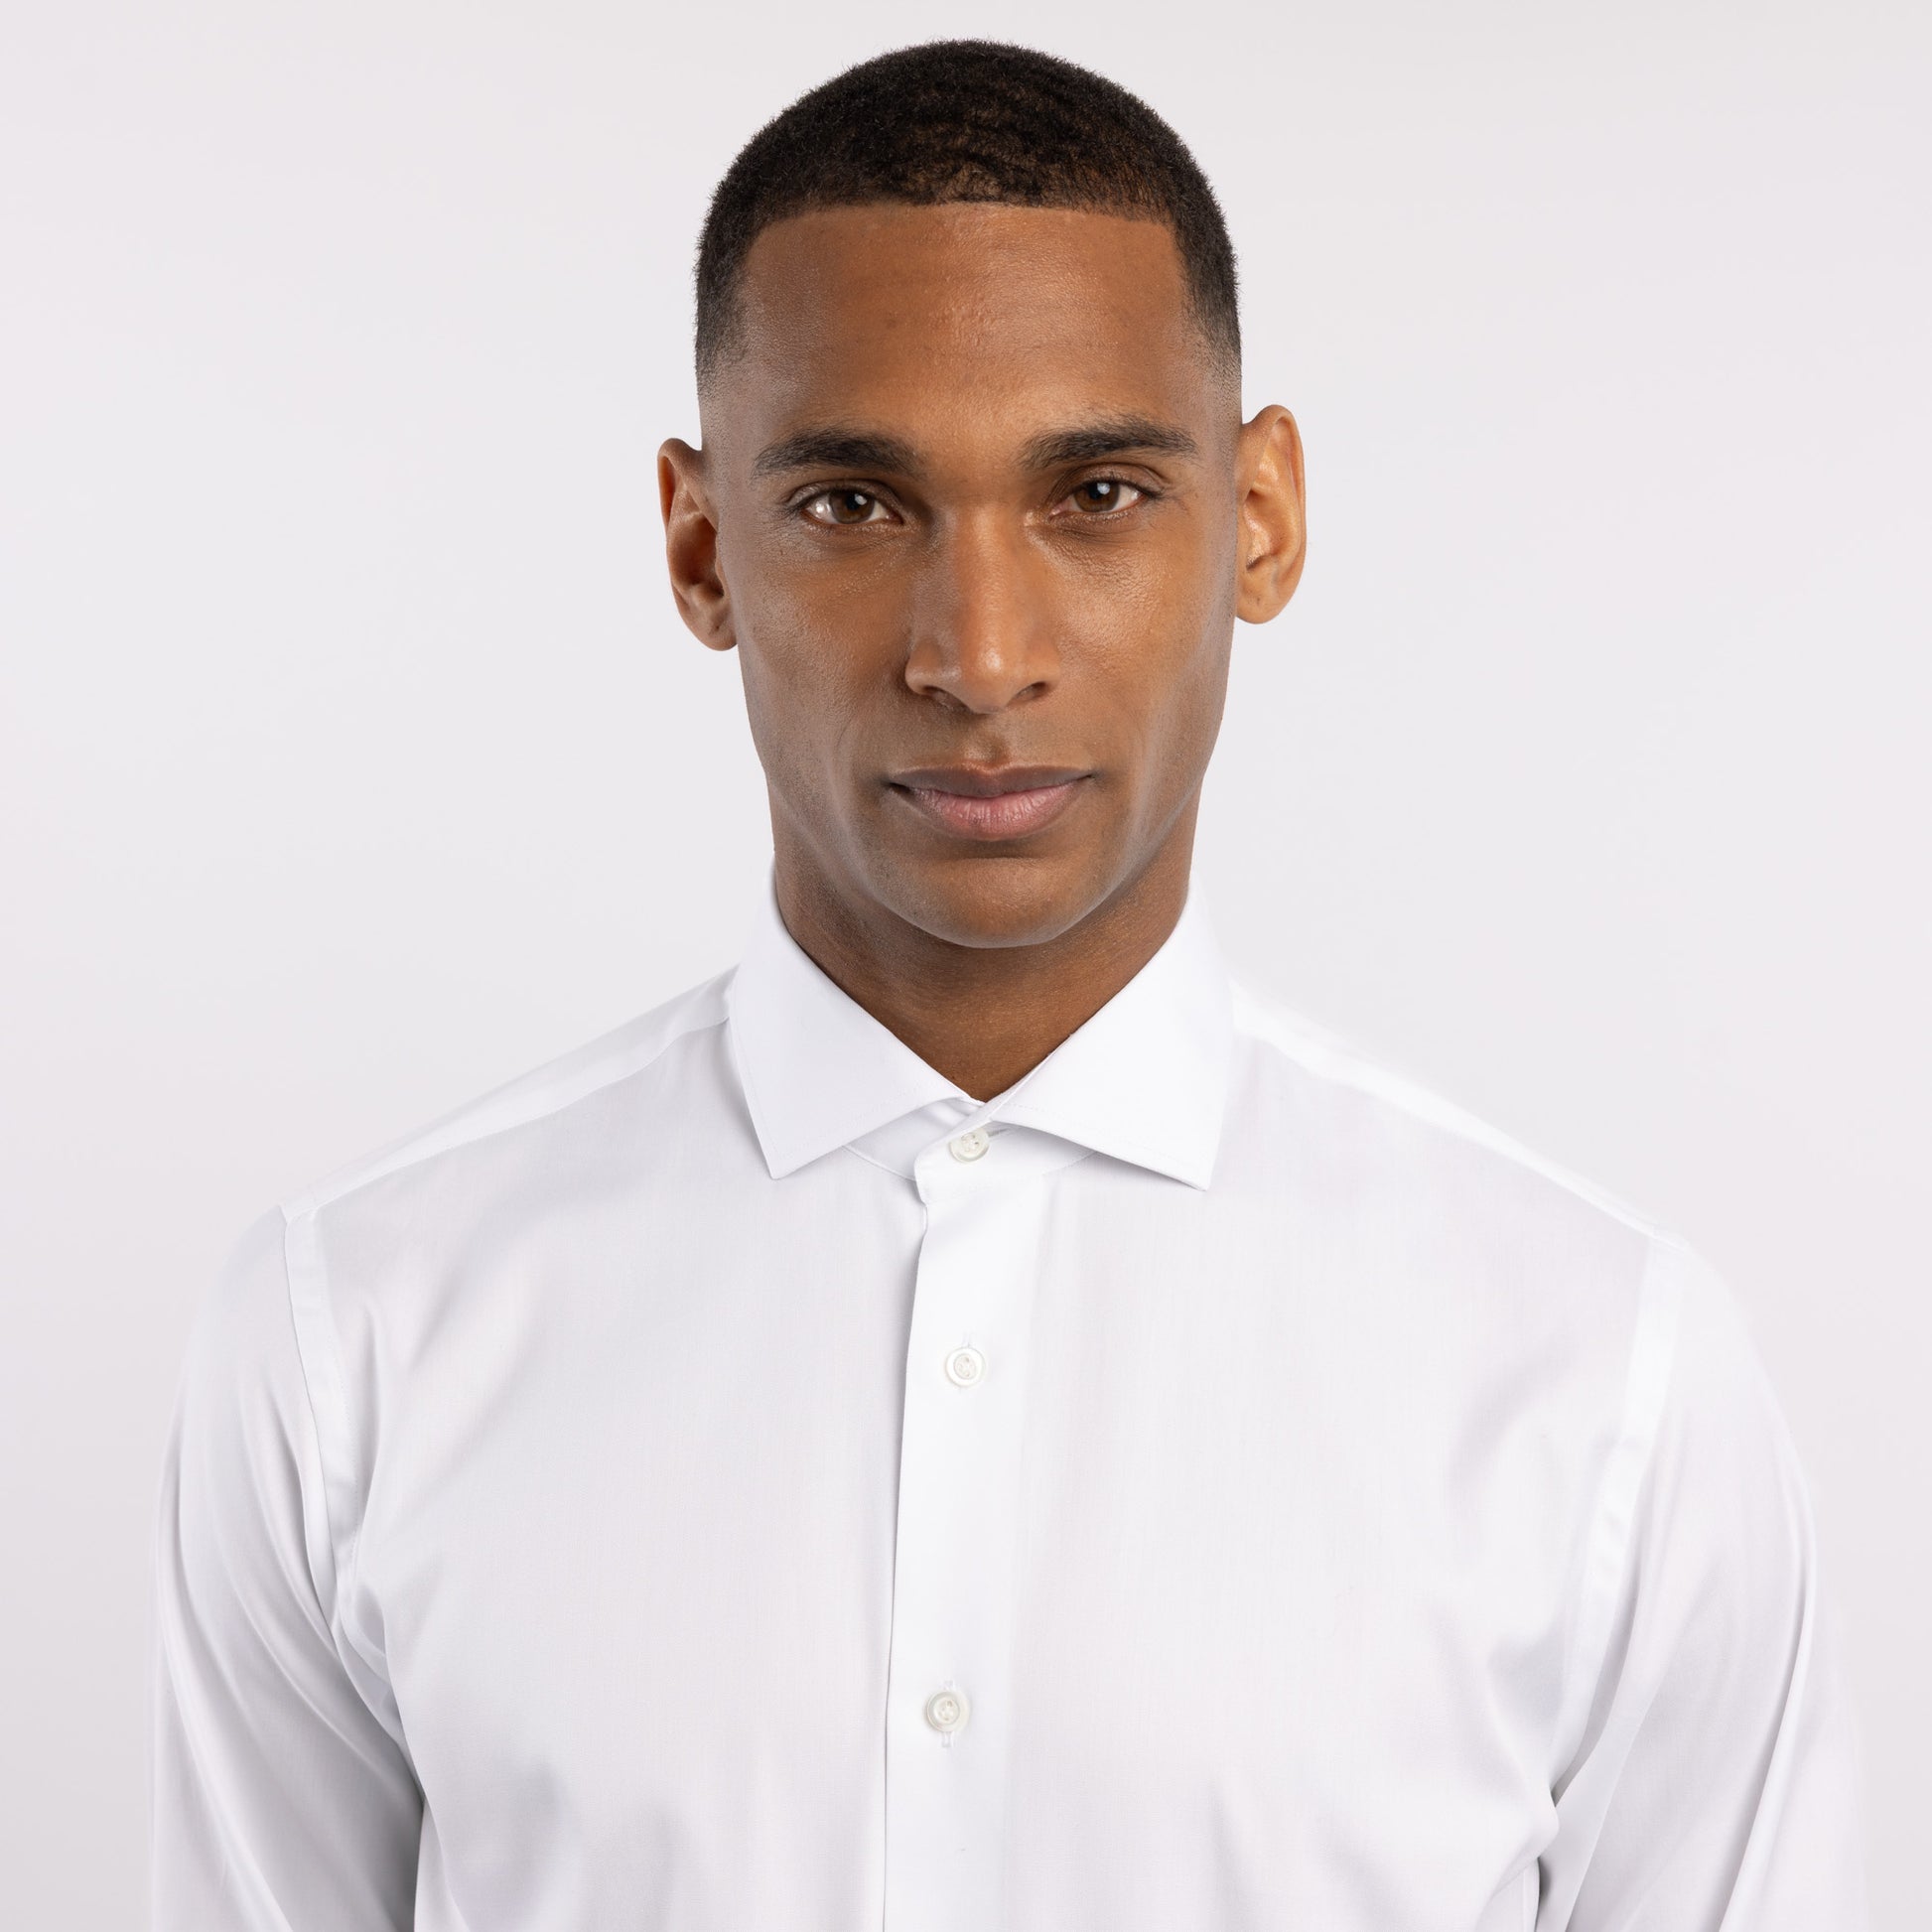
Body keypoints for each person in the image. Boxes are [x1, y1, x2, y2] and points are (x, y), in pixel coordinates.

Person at [151, 39, 1870, 1931]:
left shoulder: (1602, 1375)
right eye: (852, 504)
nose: (976, 656)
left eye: (1097, 491)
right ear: (700, 545)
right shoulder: (352, 1334)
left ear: (1261, 517)